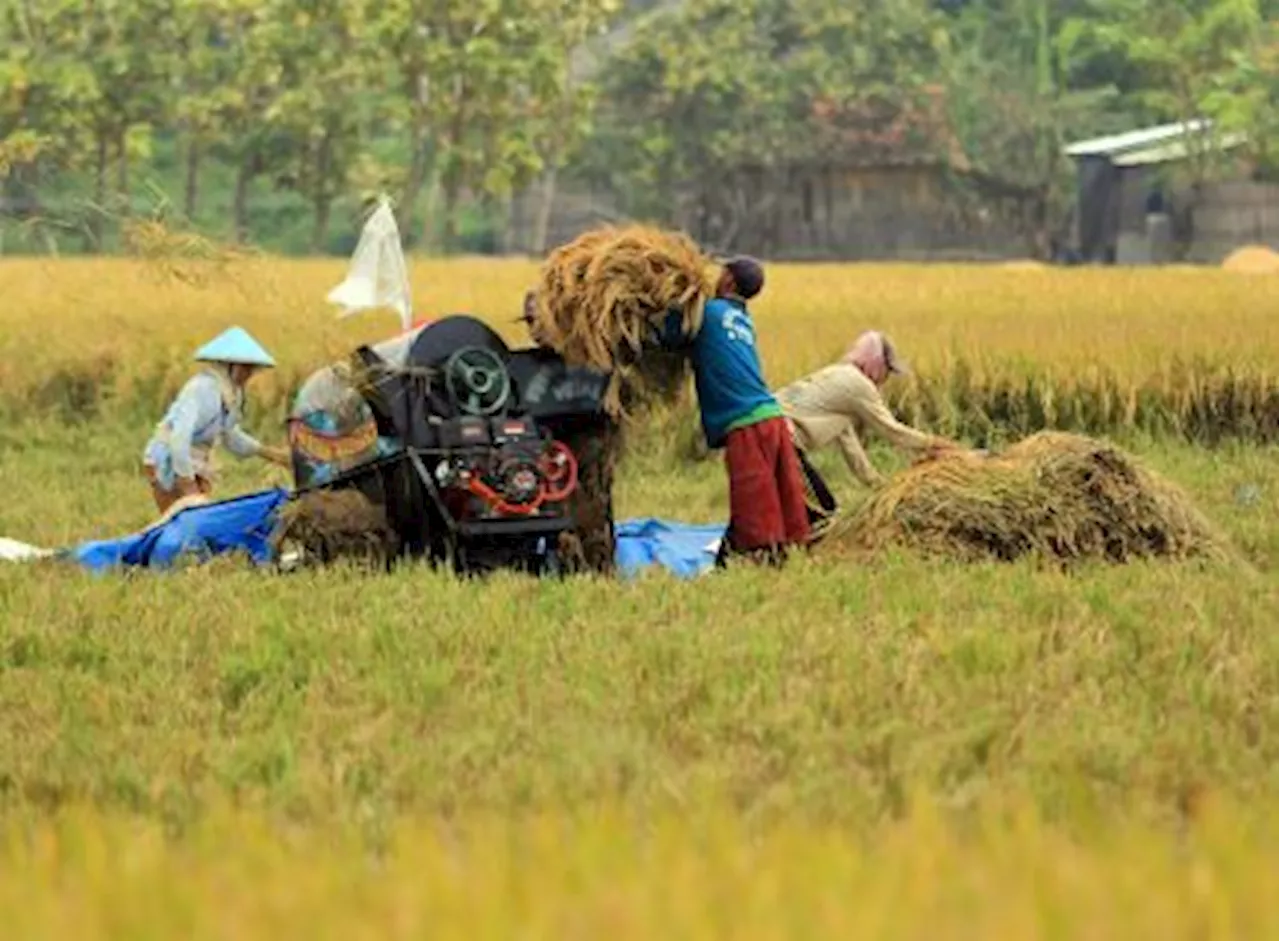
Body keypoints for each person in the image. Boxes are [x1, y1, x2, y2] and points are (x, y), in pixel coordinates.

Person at [673, 256, 812, 566]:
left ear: (730, 282)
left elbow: (673, 332)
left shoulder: (707, 313)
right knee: (781, 493)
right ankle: (780, 552)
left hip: (746, 422)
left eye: (721, 273)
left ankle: (761, 558)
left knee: (753, 497)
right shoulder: (742, 319)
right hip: (772, 416)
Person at [775, 330, 963, 492]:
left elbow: (851, 447)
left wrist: (878, 486)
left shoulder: (838, 376)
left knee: (809, 508)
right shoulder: (858, 384)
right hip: (781, 439)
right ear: (876, 363)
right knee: (820, 512)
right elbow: (893, 431)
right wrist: (937, 445)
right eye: (886, 370)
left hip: (768, 433)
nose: (885, 378)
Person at [142, 326, 291, 515]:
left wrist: (272, 454)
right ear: (229, 366)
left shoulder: (230, 394)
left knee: (199, 518)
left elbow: (230, 436)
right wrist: (187, 483)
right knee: (185, 521)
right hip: (170, 458)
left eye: (251, 368)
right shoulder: (201, 389)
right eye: (245, 367)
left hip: (196, 459)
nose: (249, 373)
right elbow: (179, 438)